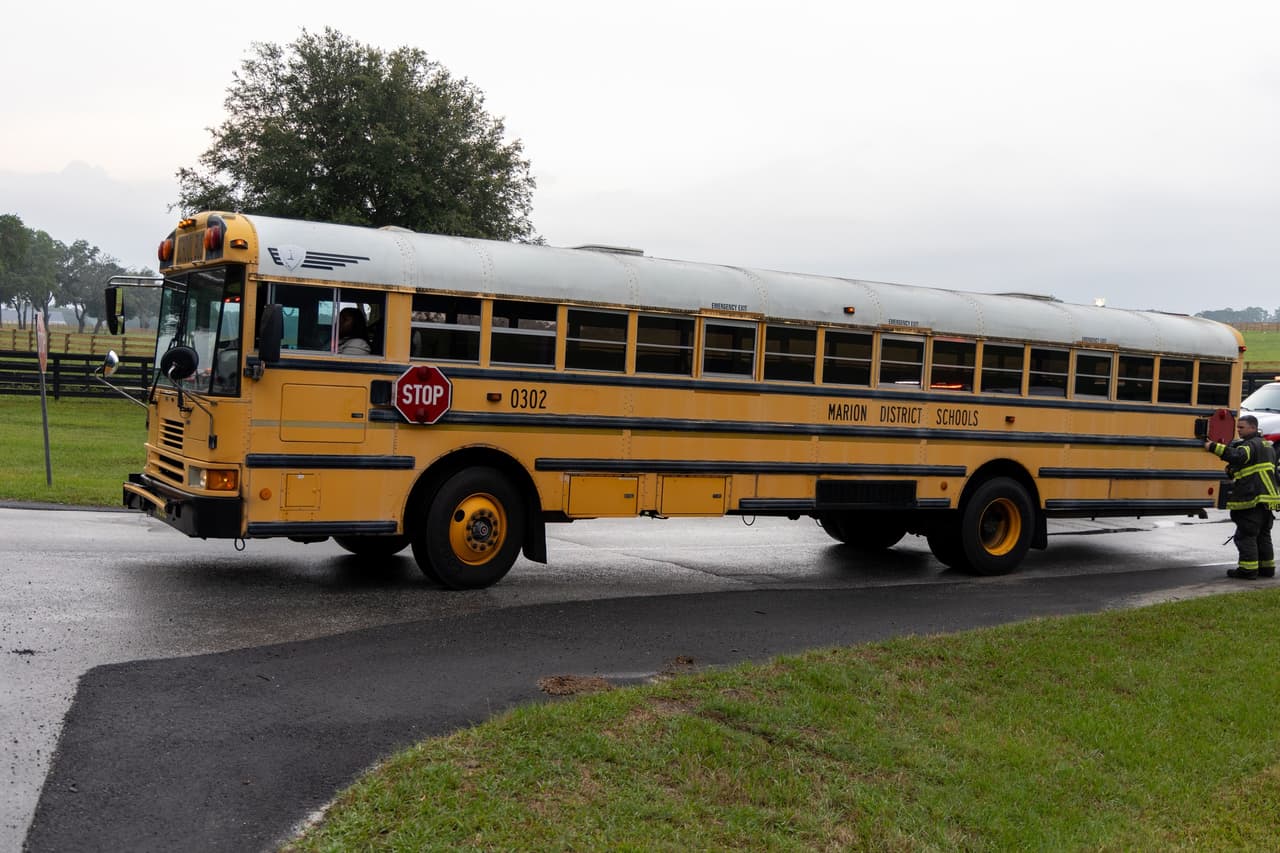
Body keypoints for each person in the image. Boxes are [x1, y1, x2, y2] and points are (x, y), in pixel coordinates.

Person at [1204, 413, 1280, 579]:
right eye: (1237, 427)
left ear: (1253, 427)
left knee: (1246, 535)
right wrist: (1233, 470)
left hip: (1252, 498)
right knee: (1263, 536)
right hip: (1268, 500)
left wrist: (1213, 447)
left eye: (1241, 427)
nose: (1238, 430)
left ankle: (1248, 570)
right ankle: (1267, 569)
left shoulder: (1249, 444)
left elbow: (1238, 456)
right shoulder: (1267, 446)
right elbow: (1257, 468)